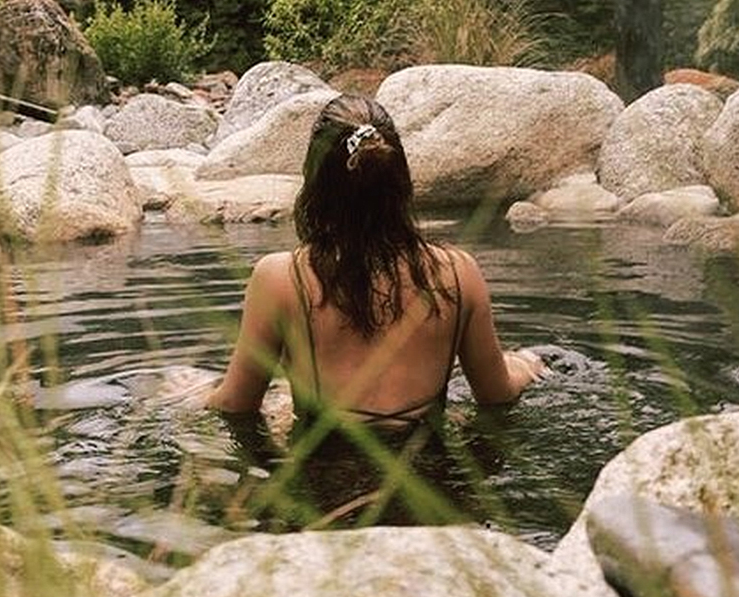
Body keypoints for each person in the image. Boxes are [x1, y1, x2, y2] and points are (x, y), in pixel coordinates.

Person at [206, 93, 544, 431]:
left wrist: (197, 391)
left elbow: (236, 405)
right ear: (401, 180)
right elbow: (496, 396)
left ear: (315, 181)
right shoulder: (458, 273)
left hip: (323, 477)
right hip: (433, 476)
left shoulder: (280, 279)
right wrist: (523, 367)